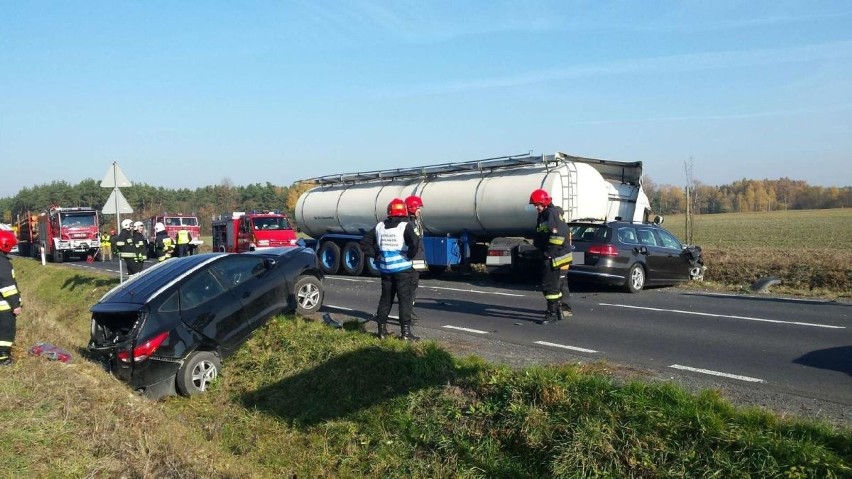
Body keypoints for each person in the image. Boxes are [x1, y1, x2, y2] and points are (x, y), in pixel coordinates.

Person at [360, 198, 421, 340]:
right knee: (404, 300)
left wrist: (376, 255)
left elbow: (364, 242)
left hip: (386, 269)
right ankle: (405, 334)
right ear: (403, 211)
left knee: (385, 300)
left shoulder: (380, 226)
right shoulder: (405, 226)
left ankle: (381, 332)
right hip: (402, 269)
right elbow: (415, 242)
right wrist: (410, 256)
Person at [530, 189, 573, 324]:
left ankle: (552, 313)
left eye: (538, 204)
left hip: (556, 255)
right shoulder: (543, 215)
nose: (536, 207)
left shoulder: (552, 214)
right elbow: (541, 233)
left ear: (545, 202)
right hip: (553, 255)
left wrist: (549, 253)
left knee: (550, 285)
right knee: (554, 284)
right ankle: (558, 309)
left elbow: (558, 236)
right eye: (534, 205)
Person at [0, 227, 22, 366]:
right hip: (4, 307)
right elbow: (7, 286)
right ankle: (3, 358)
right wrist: (15, 305)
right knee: (6, 331)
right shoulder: (2, 263)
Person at [404, 195, 428, 321]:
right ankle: (406, 314)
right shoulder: (408, 224)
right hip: (411, 263)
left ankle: (409, 311)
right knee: (409, 289)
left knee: (413, 289)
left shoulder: (415, 223)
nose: (420, 210)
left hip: (416, 262)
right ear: (412, 208)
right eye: (418, 207)